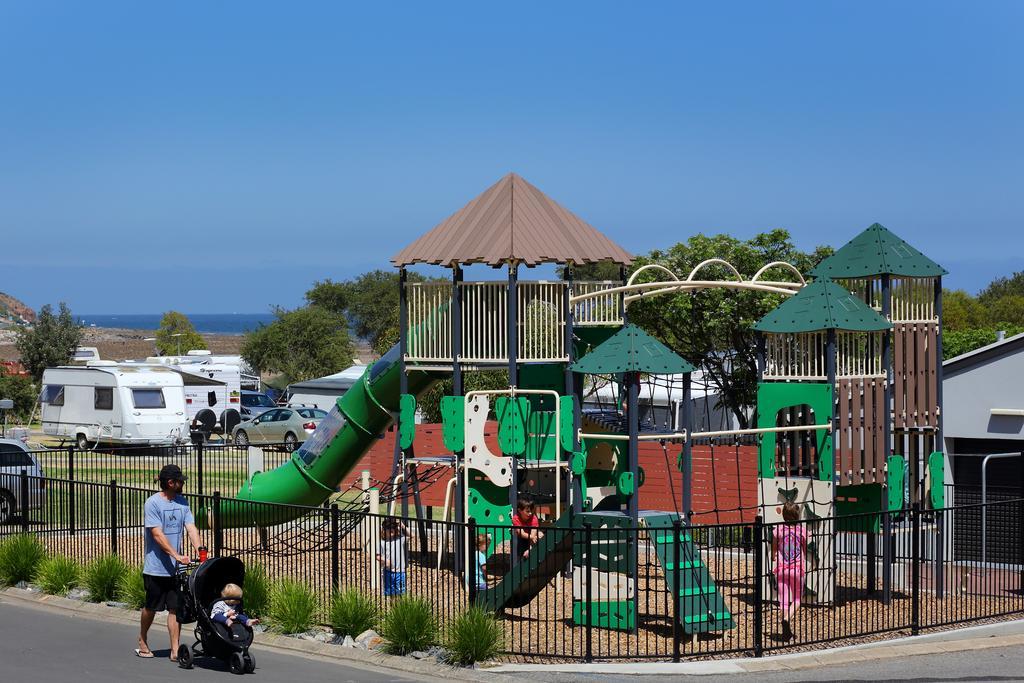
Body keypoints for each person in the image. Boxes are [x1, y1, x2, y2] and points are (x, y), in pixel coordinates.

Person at [136, 464, 203, 660]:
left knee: (175, 608)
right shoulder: (152, 503)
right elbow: (157, 534)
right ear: (170, 483)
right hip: (156, 568)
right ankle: (142, 639)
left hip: (176, 570)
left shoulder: (183, 502)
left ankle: (174, 650)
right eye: (180, 481)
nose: (182, 483)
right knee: (151, 607)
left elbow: (191, 528)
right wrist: (176, 555)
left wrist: (200, 549)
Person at [771, 500, 807, 640]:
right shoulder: (802, 531)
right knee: (797, 599)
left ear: (784, 515)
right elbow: (804, 548)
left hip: (781, 569)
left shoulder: (778, 529)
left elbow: (774, 547)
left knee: (783, 600)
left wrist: (774, 555)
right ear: (797, 516)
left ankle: (785, 630)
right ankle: (787, 619)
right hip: (797, 569)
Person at [376, 518, 409, 597]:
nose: (391, 530)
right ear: (384, 530)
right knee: (391, 594)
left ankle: (399, 609)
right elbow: (377, 556)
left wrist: (403, 526)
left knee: (401, 594)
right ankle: (393, 608)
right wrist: (385, 560)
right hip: (389, 572)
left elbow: (412, 535)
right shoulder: (382, 543)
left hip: (400, 572)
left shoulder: (400, 539)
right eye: (389, 528)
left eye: (393, 528)